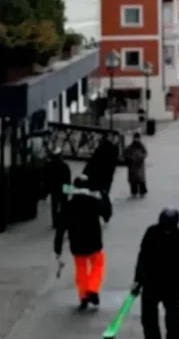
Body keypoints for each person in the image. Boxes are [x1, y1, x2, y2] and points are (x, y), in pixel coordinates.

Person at [132, 208, 179, 339]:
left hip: (154, 283)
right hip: (168, 284)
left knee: (152, 318)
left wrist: (138, 280)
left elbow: (142, 258)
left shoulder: (152, 232)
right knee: (169, 318)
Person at [54, 175, 112, 310]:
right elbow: (107, 215)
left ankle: (83, 297)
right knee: (97, 265)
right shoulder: (93, 201)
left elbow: (61, 227)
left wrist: (57, 247)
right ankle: (92, 289)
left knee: (80, 269)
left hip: (76, 242)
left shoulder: (68, 204)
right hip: (94, 241)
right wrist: (105, 197)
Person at [46, 146, 72, 229]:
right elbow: (68, 178)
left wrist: (47, 188)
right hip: (63, 188)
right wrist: (69, 190)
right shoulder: (64, 166)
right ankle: (63, 221)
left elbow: (46, 178)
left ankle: (55, 222)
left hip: (54, 188)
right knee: (64, 205)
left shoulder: (49, 165)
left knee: (54, 206)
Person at [123, 132, 148, 198]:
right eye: (135, 138)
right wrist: (129, 158)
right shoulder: (130, 147)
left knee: (140, 179)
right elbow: (125, 153)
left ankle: (142, 191)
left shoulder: (141, 146)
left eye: (137, 138)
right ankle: (134, 191)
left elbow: (145, 153)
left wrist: (141, 156)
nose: (136, 139)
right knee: (133, 179)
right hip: (132, 165)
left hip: (139, 165)